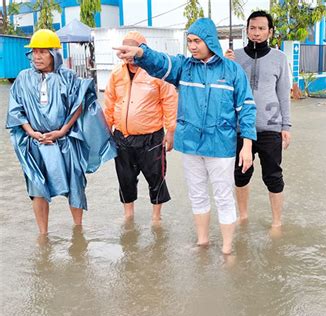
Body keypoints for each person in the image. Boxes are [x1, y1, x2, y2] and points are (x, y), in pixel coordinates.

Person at [113, 18, 257, 254]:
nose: (192, 46)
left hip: (221, 146)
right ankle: (202, 241)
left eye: (196, 41)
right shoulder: (184, 68)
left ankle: (228, 249)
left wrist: (247, 145)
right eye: (189, 41)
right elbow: (160, 63)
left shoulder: (232, 71)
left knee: (223, 196)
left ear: (209, 41)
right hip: (190, 144)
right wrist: (140, 52)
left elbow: (247, 108)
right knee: (197, 195)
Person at [6, 29, 116, 235]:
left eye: (42, 52)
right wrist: (31, 133)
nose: (37, 57)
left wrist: (63, 130)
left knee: (75, 185)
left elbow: (79, 105)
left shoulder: (68, 77)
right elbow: (15, 110)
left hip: (65, 142)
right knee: (37, 188)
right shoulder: (23, 78)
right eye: (34, 52)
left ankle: (78, 232)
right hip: (35, 143)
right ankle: (43, 235)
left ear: (54, 54)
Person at [225, 10, 291, 228]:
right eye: (252, 28)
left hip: (270, 126)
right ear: (247, 30)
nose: (256, 33)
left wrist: (286, 126)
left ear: (270, 31)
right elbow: (224, 91)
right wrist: (225, 66)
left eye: (262, 28)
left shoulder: (279, 58)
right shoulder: (234, 57)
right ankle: (243, 217)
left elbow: (283, 94)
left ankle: (276, 223)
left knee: (273, 176)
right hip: (240, 128)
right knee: (240, 174)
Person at [104, 31, 178, 225]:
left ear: (141, 49)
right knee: (125, 179)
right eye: (124, 48)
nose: (127, 53)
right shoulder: (116, 73)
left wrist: (170, 131)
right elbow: (109, 103)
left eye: (131, 48)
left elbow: (169, 100)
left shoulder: (156, 72)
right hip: (122, 137)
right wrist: (106, 131)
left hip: (151, 137)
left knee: (156, 178)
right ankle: (129, 216)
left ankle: (156, 217)